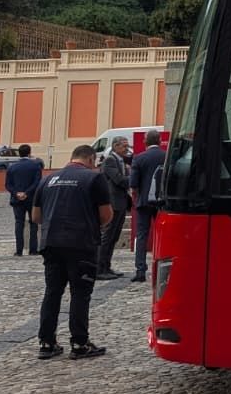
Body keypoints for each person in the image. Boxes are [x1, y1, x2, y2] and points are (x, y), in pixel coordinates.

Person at [31, 144, 112, 359]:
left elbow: (36, 217)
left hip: (51, 243)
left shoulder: (48, 179)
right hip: (81, 244)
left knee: (52, 292)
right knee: (80, 294)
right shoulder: (94, 179)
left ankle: (46, 343)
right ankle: (79, 343)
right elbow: (106, 215)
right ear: (91, 160)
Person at [128, 129, 167, 284]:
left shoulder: (139, 158)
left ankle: (140, 270)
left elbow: (133, 184)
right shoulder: (166, 156)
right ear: (159, 141)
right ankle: (161, 268)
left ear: (145, 141)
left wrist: (136, 197)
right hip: (162, 202)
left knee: (142, 235)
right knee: (162, 235)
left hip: (144, 202)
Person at [95, 136, 131, 279]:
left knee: (114, 237)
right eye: (124, 146)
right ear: (115, 146)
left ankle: (107, 266)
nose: (126, 149)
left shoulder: (121, 161)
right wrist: (134, 176)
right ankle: (99, 268)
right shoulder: (110, 160)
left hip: (121, 203)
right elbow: (119, 180)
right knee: (107, 236)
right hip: (113, 203)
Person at [4, 144, 45, 257]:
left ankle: (19, 250)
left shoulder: (12, 167)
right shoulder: (35, 166)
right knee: (33, 224)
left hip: (16, 200)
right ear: (29, 152)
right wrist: (26, 193)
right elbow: (37, 182)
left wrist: (17, 193)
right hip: (32, 199)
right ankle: (33, 250)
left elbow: (8, 184)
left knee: (19, 224)